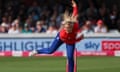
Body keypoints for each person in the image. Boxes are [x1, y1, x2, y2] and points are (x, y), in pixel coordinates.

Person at [30, 0, 84, 72]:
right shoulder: (63, 33)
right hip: (62, 38)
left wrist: (75, 6)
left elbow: (75, 14)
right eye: (66, 28)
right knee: (50, 51)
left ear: (71, 26)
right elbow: (72, 40)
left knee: (70, 57)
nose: (67, 30)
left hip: (71, 39)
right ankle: (37, 51)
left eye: (69, 28)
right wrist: (79, 39)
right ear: (64, 27)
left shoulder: (75, 26)